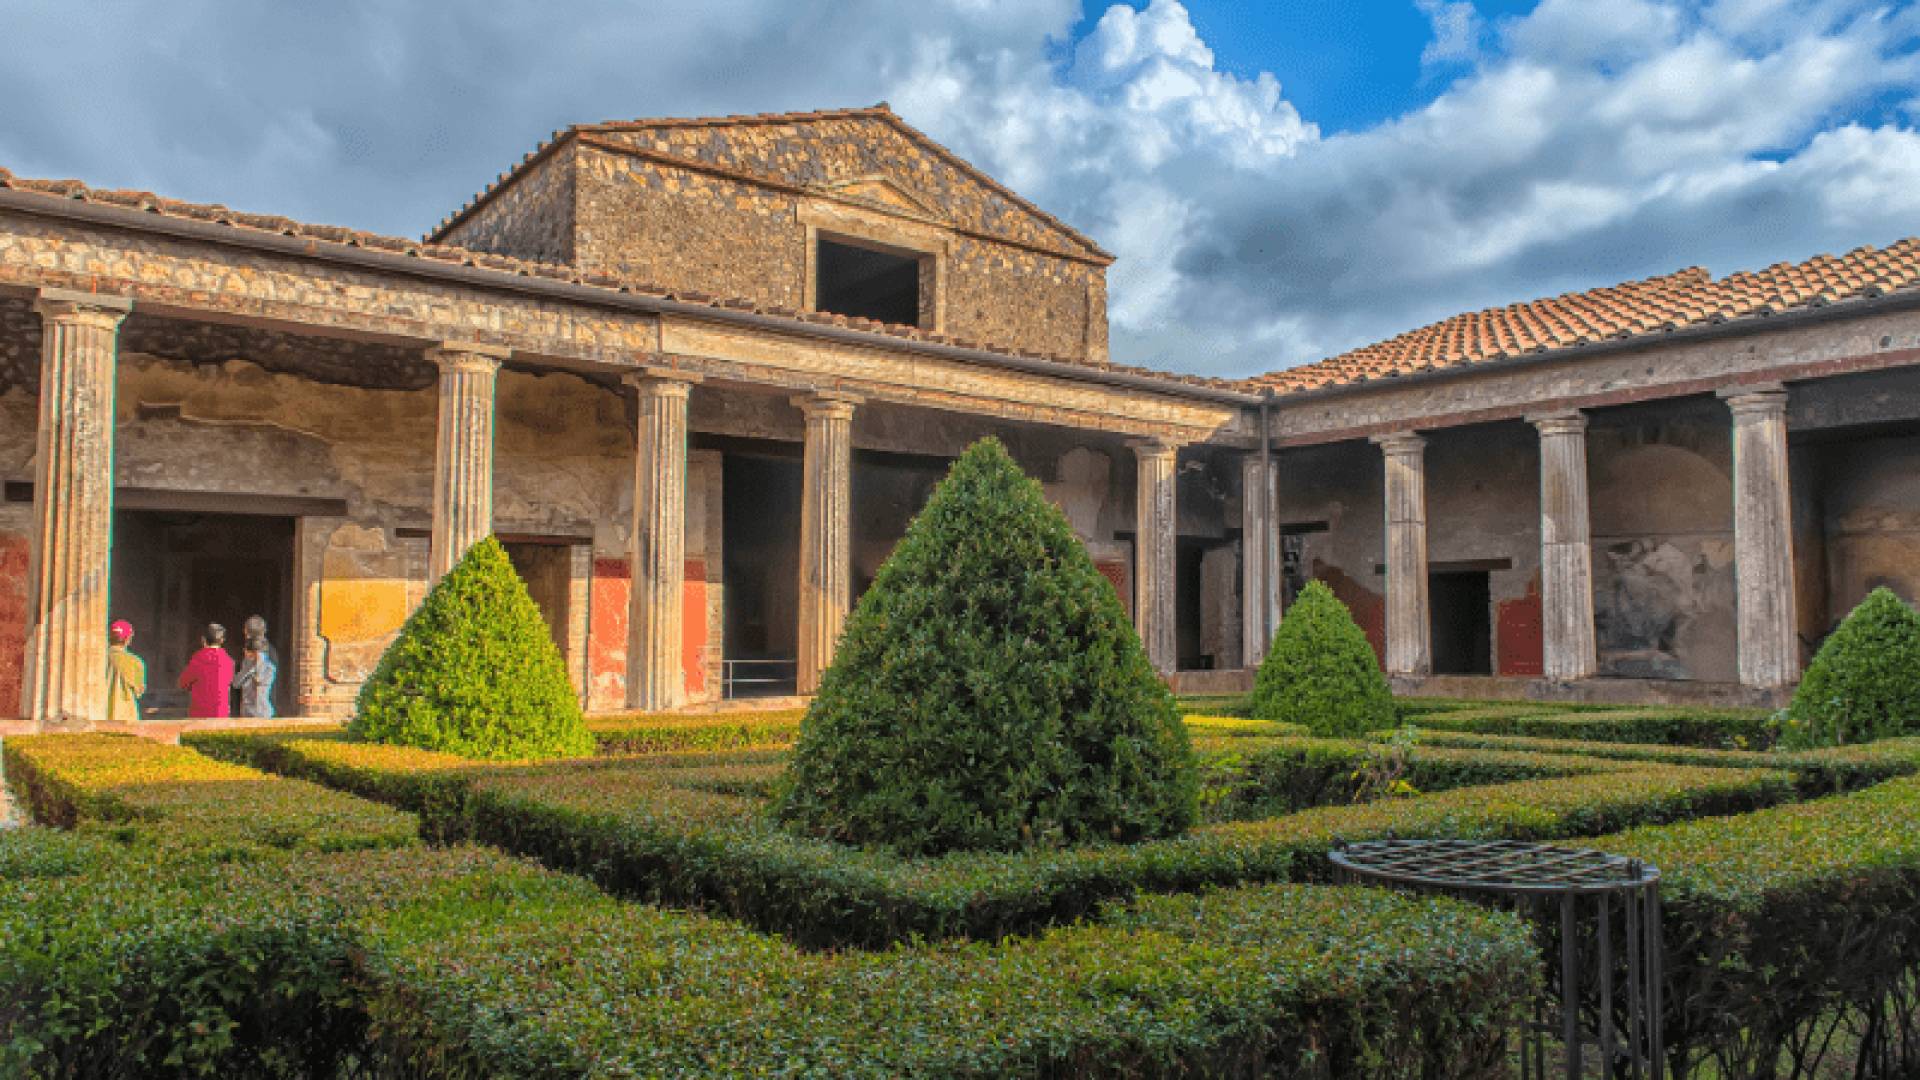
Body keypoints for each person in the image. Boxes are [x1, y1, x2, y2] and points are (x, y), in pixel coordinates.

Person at [178, 623, 235, 720]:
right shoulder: (228, 661)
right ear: (222, 640)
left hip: (199, 713)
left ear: (203, 640)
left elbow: (183, 682)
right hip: (221, 713)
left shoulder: (198, 658)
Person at [105, 620, 146, 724]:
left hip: (100, 712)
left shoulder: (98, 658)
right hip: (125, 714)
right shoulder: (135, 662)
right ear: (128, 639)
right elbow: (139, 691)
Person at [234, 632, 277, 719]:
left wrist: (258, 663)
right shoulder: (246, 665)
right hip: (247, 712)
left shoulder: (269, 668)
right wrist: (248, 669)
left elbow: (259, 681)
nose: (245, 653)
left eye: (247, 651)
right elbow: (236, 684)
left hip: (263, 712)